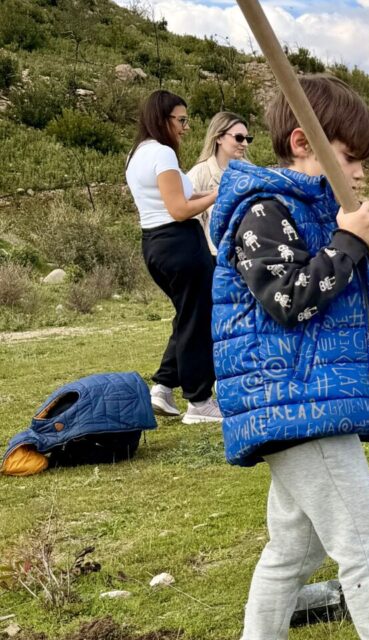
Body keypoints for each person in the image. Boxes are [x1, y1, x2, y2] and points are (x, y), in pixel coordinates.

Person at [208, 74, 369, 638]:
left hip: (306, 404)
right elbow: (289, 302)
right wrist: (346, 243)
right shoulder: (264, 211)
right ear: (305, 143)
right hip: (298, 407)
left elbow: (339, 332)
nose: (361, 173)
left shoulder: (316, 216)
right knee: (368, 544)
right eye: (350, 158)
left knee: (291, 554)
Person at [125, 90, 221, 425]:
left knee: (187, 315)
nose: (186, 127)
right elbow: (179, 209)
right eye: (181, 120)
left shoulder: (137, 154)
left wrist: (210, 193)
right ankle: (199, 401)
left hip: (154, 244)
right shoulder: (163, 154)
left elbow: (178, 196)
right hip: (180, 243)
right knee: (199, 317)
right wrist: (217, 196)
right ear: (162, 119)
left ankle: (163, 386)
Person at [188, 111, 251, 254]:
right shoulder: (199, 174)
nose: (245, 144)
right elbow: (191, 223)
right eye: (239, 138)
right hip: (214, 257)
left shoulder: (251, 171)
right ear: (219, 138)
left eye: (248, 138)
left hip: (249, 257)